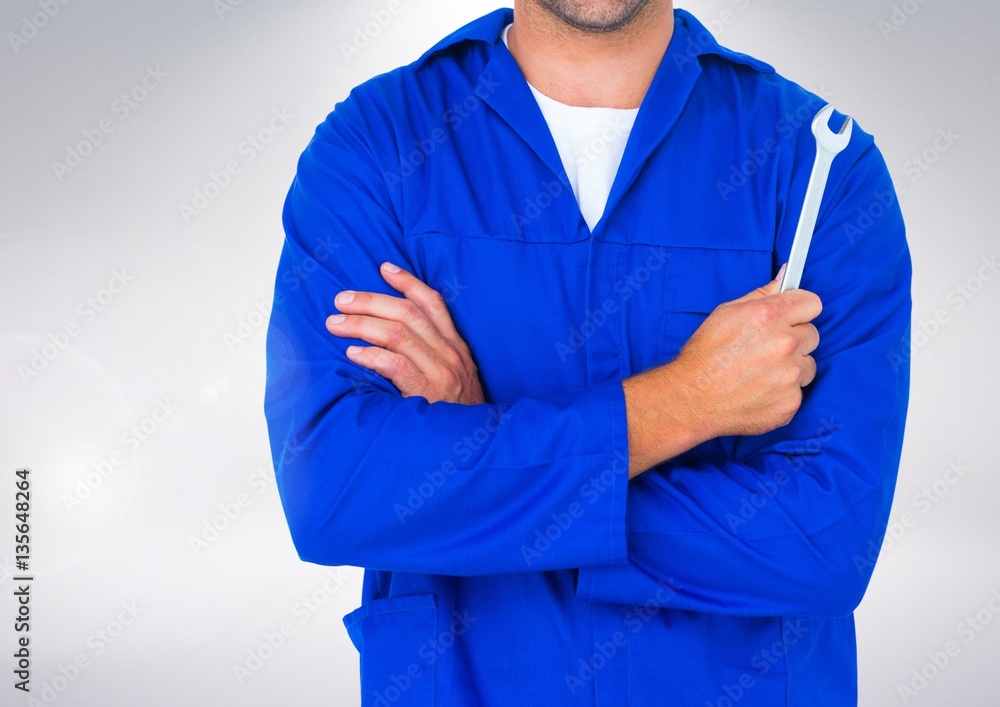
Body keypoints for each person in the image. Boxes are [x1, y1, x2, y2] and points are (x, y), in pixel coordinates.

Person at [263, 1, 911, 704]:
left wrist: (486, 451)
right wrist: (685, 400)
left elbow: (823, 540)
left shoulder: (815, 167)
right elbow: (336, 490)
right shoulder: (378, 147)